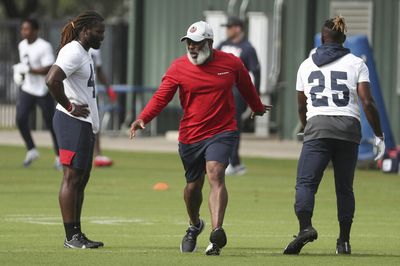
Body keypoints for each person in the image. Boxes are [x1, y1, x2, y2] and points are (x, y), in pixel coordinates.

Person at [130, 21, 270, 256]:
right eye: (189, 43)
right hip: (191, 135)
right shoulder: (178, 68)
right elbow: (161, 97)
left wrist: (256, 106)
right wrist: (143, 118)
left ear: (209, 43)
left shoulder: (231, 63)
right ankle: (194, 225)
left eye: (197, 43)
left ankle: (216, 234)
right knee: (192, 188)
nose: (192, 48)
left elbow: (247, 87)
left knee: (216, 173)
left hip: (222, 131)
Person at [283, 16, 385, 255]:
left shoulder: (306, 64)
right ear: (343, 38)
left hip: (318, 126)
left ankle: (305, 228)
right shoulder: (356, 62)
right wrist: (379, 134)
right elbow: (368, 102)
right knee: (344, 187)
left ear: (323, 37)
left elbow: (301, 105)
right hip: (348, 127)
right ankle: (344, 241)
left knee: (306, 183)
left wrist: (305, 126)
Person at [45, 10, 105, 249]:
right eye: (99, 32)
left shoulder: (84, 52)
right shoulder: (72, 51)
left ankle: (77, 234)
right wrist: (68, 105)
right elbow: (52, 80)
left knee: (81, 179)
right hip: (72, 123)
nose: (102, 37)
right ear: (85, 30)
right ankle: (71, 237)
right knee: (72, 178)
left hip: (84, 124)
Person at [13, 18, 60, 168]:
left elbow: (49, 68)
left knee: (51, 124)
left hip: (43, 90)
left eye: (27, 29)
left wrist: (29, 70)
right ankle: (31, 149)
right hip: (28, 89)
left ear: (35, 30)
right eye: (22, 29)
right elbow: (25, 66)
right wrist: (20, 74)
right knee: (20, 118)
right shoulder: (22, 45)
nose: (23, 32)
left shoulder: (44, 46)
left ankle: (59, 156)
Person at [217, 16, 261, 176]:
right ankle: (231, 161)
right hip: (218, 91)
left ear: (237, 28)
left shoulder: (247, 48)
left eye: (229, 27)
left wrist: (253, 98)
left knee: (233, 127)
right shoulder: (222, 45)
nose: (227, 30)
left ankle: (232, 162)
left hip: (236, 92)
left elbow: (256, 72)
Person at [89, 48, 117, 167]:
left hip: (92, 92)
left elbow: (99, 70)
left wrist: (108, 88)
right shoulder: (74, 47)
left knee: (95, 123)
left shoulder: (95, 50)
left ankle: (97, 154)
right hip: (77, 92)